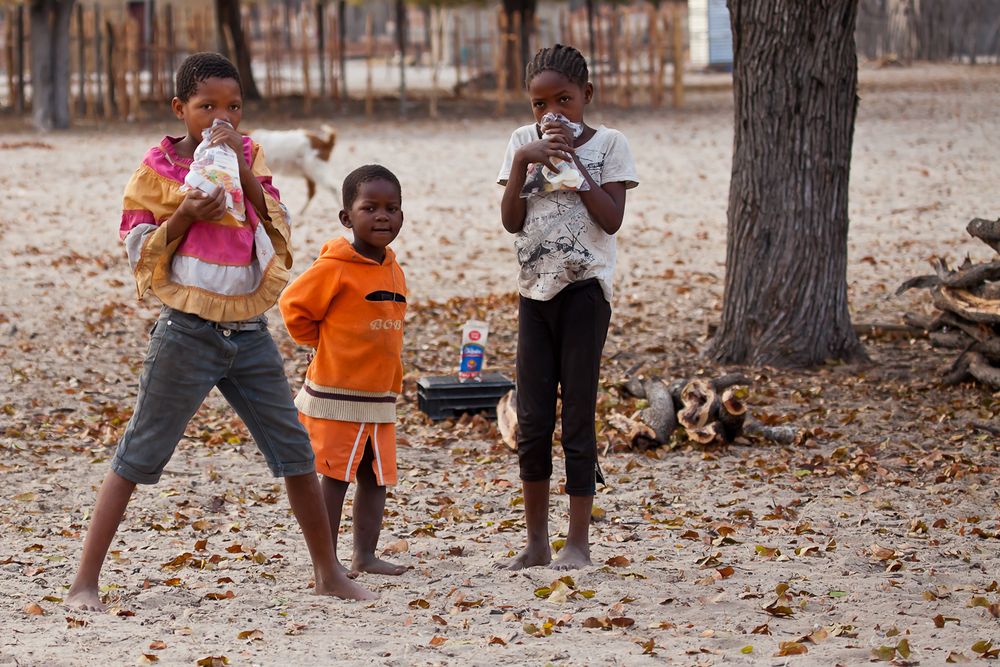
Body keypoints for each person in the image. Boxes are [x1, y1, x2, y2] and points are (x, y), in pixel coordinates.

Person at [66, 52, 375, 610]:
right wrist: (186, 214)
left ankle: (327, 572)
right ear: (180, 108)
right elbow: (137, 245)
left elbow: (274, 219)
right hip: (186, 332)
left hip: (248, 332)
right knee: (139, 453)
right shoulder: (158, 171)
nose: (220, 118)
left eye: (232, 107)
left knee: (295, 452)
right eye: (206, 107)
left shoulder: (248, 155)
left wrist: (246, 175)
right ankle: (85, 580)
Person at [497, 44, 639, 570]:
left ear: (587, 96)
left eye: (564, 99)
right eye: (539, 104)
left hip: (584, 292)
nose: (551, 112)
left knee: (577, 413)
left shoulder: (610, 144)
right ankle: (536, 541)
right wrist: (520, 163)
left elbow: (611, 219)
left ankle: (577, 541)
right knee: (533, 420)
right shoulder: (520, 143)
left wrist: (574, 163)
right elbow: (512, 221)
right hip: (534, 292)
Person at [279, 165, 408, 579]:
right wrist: (321, 343)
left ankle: (364, 555)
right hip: (338, 394)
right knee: (335, 477)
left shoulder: (393, 267)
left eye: (392, 208)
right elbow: (293, 307)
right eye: (370, 207)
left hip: (378, 395)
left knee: (376, 477)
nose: (382, 216)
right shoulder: (334, 266)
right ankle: (326, 560)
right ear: (347, 217)